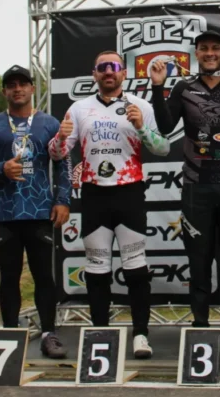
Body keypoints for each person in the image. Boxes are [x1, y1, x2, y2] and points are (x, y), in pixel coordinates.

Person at [149, 29, 220, 356]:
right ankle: (201, 327)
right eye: (204, 49)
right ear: (196, 53)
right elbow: (163, 126)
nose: (210, 53)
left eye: (216, 48)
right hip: (196, 188)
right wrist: (158, 87)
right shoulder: (184, 88)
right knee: (198, 261)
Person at [49, 52, 170, 359]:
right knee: (97, 268)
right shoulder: (80, 108)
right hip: (93, 195)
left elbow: (163, 147)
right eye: (102, 67)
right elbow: (57, 153)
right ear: (94, 74)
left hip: (128, 192)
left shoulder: (139, 106)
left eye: (114, 67)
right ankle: (101, 334)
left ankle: (141, 334)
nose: (108, 72)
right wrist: (59, 140)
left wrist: (142, 127)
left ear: (123, 73)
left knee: (135, 268)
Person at [0, 65, 71, 359]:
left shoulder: (49, 123)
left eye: (23, 84)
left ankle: (50, 334)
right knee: (9, 277)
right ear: (4, 91)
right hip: (6, 212)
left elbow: (64, 164)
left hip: (40, 211)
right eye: (11, 85)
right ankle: (10, 336)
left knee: (44, 277)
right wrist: (0, 167)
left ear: (32, 89)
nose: (17, 89)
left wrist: (63, 200)